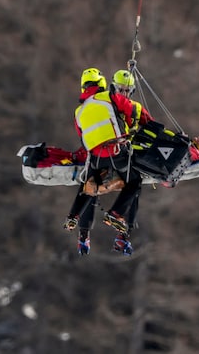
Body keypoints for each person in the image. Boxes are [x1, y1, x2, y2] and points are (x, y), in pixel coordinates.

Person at [64, 67, 151, 256]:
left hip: (96, 157)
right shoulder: (109, 98)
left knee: (90, 188)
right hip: (117, 151)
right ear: (106, 85)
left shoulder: (78, 111)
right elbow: (138, 114)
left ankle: (83, 234)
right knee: (134, 183)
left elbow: (82, 135)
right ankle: (122, 232)